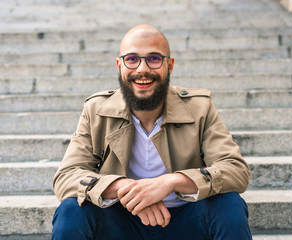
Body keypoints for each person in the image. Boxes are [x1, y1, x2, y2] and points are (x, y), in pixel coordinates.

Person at [51, 24, 252, 240]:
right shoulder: (97, 110)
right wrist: (128, 190)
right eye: (132, 59)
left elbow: (235, 170)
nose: (142, 69)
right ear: (119, 65)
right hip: (121, 222)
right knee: (72, 209)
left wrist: (169, 183)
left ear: (170, 65)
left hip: (187, 221)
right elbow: (66, 176)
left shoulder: (199, 108)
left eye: (154, 59)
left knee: (229, 204)